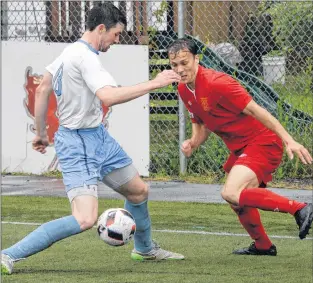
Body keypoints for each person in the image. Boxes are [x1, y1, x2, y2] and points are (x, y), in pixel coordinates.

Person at [1, 4, 185, 275]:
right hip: (78, 145)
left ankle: (144, 249)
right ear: (101, 29)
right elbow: (108, 97)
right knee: (85, 218)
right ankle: (8, 254)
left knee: (138, 191)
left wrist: (41, 132)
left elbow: (42, 88)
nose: (117, 40)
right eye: (116, 34)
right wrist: (155, 83)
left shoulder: (68, 52)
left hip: (98, 138)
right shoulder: (85, 57)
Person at [167, 38, 313, 256]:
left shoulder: (219, 83)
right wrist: (193, 143)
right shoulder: (183, 89)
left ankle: (300, 208)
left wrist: (288, 139)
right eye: (174, 65)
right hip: (241, 148)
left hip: (263, 142)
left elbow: (257, 110)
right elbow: (202, 122)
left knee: (232, 192)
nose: (180, 69)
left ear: (197, 59)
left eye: (184, 63)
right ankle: (263, 245)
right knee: (238, 200)